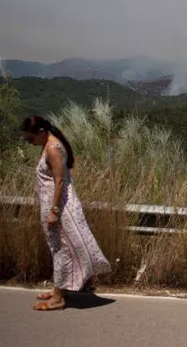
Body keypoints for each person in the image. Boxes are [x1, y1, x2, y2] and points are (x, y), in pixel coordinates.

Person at [21, 115, 111, 311]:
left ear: (42, 132)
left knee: (60, 249)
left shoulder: (52, 148)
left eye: (30, 138)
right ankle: (59, 290)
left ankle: (58, 298)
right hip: (57, 207)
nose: (29, 142)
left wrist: (54, 211)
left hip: (60, 209)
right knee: (60, 249)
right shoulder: (50, 144)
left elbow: (59, 181)